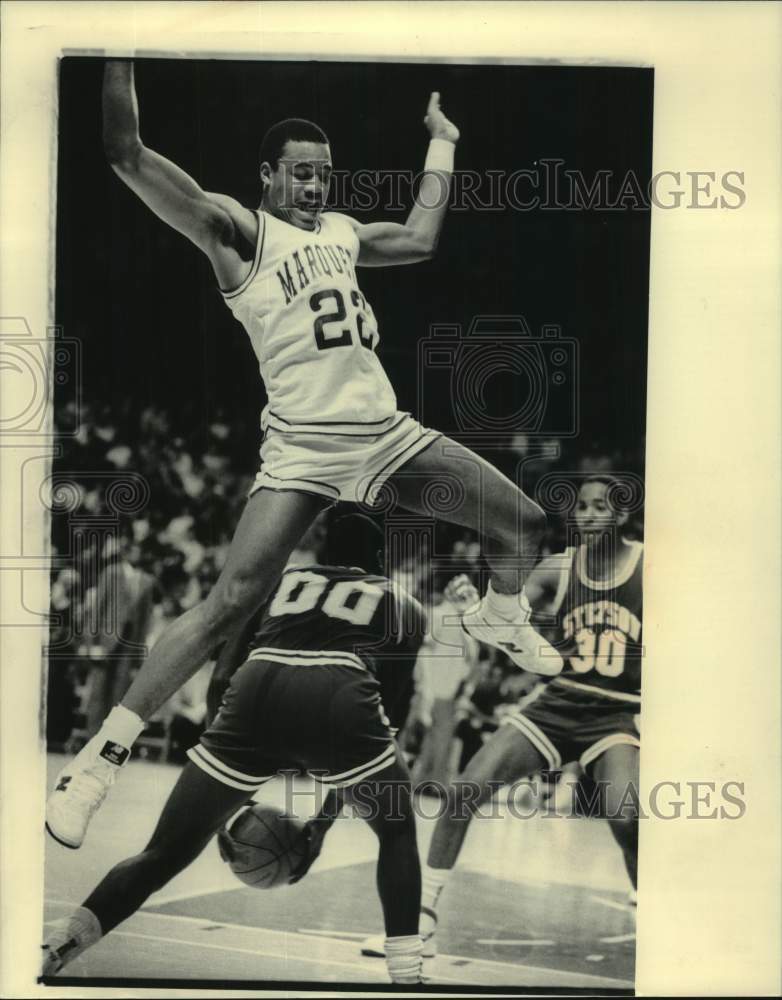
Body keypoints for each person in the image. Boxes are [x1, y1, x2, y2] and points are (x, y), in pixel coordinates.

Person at [46, 59, 561, 851]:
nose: (316, 186)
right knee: (229, 603)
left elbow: (421, 239)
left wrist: (443, 147)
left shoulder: (346, 236)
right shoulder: (239, 230)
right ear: (268, 176)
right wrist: (117, 50)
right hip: (304, 447)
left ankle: (502, 612)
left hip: (386, 435)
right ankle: (96, 762)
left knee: (526, 527)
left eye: (324, 175)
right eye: (301, 174)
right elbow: (126, 152)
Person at [43, 530, 430, 984]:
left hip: (256, 686)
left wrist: (227, 789)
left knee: (161, 854)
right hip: (340, 691)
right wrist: (321, 826)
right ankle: (407, 975)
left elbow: (220, 678)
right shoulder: (406, 603)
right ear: (382, 557)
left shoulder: (277, 581)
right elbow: (390, 716)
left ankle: (59, 947)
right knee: (397, 832)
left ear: (321, 552)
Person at [407, 476, 643, 955]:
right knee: (464, 792)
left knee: (627, 818)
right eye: (581, 507)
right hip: (558, 703)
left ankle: (651, 903)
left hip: (618, 712)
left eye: (601, 507)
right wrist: (476, 610)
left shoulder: (651, 566)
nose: (588, 514)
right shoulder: (557, 569)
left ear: (621, 515)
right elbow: (510, 621)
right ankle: (422, 917)